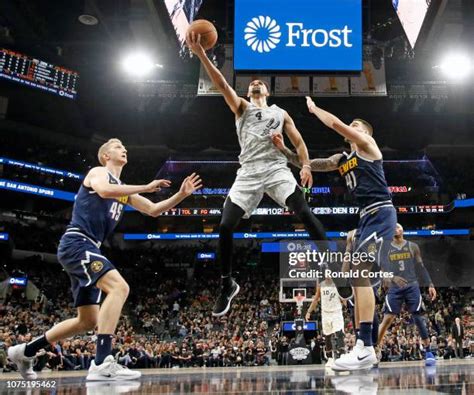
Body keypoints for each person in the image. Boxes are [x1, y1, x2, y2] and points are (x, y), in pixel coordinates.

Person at [8, 138, 202, 380]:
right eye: (118, 147)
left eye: (124, 147)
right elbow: (104, 190)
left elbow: (153, 210)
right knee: (119, 287)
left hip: (89, 247)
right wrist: (144, 186)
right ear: (105, 156)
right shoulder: (98, 172)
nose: (124, 149)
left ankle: (25, 351)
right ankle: (101, 362)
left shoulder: (123, 190)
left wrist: (181, 195)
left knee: (87, 321)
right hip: (78, 242)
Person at [187, 34, 327, 317]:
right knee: (225, 226)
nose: (255, 83)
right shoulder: (242, 107)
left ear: (267, 91)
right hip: (249, 172)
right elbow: (222, 84)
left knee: (304, 211)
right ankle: (227, 284)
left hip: (276, 169)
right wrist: (202, 55)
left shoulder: (280, 112)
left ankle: (331, 267)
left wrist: (306, 165)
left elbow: (299, 143)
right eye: (251, 83)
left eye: (259, 83)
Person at [272, 96, 397, 370]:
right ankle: (366, 348)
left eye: (357, 126)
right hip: (365, 218)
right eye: (353, 126)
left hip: (380, 212)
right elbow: (313, 164)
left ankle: (365, 347)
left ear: (364, 133)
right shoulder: (344, 158)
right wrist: (285, 152)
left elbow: (337, 124)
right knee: (358, 280)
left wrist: (315, 110)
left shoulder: (368, 146)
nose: (352, 127)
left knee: (360, 274)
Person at [377, 223, 437, 365]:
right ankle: (374, 350)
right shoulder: (385, 249)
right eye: (393, 226)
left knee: (418, 317)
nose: (396, 228)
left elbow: (421, 267)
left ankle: (428, 351)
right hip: (395, 287)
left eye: (398, 226)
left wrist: (430, 284)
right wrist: (392, 278)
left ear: (403, 229)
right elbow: (382, 271)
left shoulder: (413, 246)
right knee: (387, 319)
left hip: (412, 285)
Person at [305, 274, 345, 368]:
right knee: (327, 335)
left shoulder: (338, 283)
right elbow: (316, 300)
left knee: (339, 333)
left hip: (336, 311)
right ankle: (330, 358)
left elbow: (344, 297)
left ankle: (342, 356)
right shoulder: (320, 285)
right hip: (325, 313)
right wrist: (308, 312)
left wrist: (346, 304)